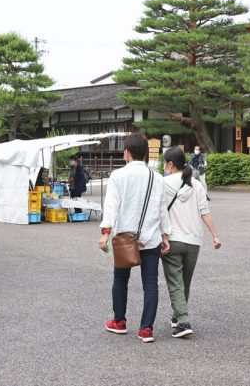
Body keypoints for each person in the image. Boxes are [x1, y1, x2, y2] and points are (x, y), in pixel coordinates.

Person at [98, 134, 171, 343]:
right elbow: (161, 209)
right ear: (146, 153)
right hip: (150, 236)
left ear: (126, 152)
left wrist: (105, 233)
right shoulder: (156, 178)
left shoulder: (118, 176)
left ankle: (119, 322)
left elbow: (111, 206)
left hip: (124, 239)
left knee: (120, 279)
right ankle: (146, 329)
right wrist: (166, 235)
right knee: (151, 284)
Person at [161, 147, 221, 338]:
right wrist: (215, 235)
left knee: (175, 282)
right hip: (194, 240)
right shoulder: (197, 184)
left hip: (173, 239)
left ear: (170, 164)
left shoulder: (164, 183)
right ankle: (177, 315)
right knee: (184, 282)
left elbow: (158, 211)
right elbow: (205, 212)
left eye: (165, 163)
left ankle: (183, 321)